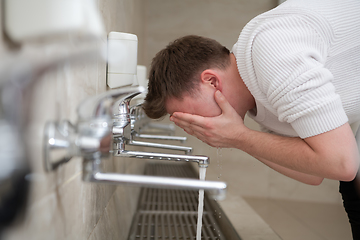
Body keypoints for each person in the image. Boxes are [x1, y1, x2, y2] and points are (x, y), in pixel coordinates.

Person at [143, 0, 360, 238]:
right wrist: (237, 138)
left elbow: (342, 163)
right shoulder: (258, 97)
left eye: (192, 115)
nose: (194, 125)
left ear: (211, 81)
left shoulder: (272, 54)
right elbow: (313, 173)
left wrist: (240, 137)